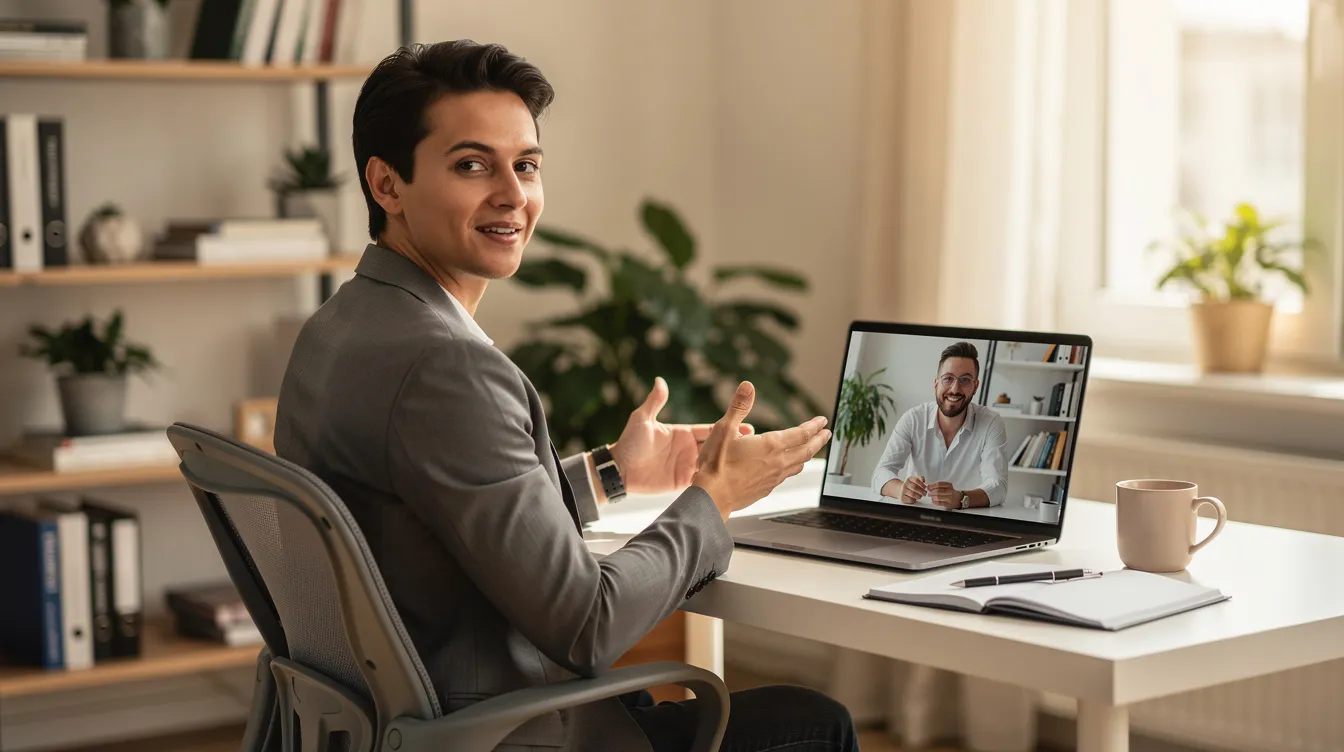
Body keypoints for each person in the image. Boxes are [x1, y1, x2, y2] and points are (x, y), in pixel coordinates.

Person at [272, 40, 857, 752]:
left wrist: (614, 472)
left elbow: (435, 523)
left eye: (526, 166)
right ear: (387, 185)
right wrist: (713, 500)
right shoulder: (447, 367)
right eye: (471, 165)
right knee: (815, 724)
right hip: (503, 730)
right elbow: (588, 624)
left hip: (396, 720)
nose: (512, 195)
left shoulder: (338, 327)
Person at [871, 342, 1008, 510]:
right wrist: (901, 490)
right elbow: (880, 473)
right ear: (936, 384)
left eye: (964, 380)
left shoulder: (991, 423)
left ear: (975, 387)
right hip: (914, 516)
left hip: (965, 520)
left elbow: (998, 486)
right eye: (948, 379)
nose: (955, 389)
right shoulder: (913, 419)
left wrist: (962, 499)